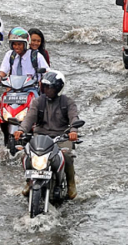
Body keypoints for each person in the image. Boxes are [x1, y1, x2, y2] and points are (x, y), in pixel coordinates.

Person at [14, 70, 81, 199]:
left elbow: (74, 118)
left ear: (58, 88)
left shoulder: (68, 102)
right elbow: (29, 118)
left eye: (50, 87)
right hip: (40, 137)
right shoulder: (38, 101)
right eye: (45, 87)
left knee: (67, 155)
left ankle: (71, 184)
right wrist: (21, 130)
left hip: (61, 137)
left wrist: (73, 131)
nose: (47, 90)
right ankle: (29, 181)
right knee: (25, 154)